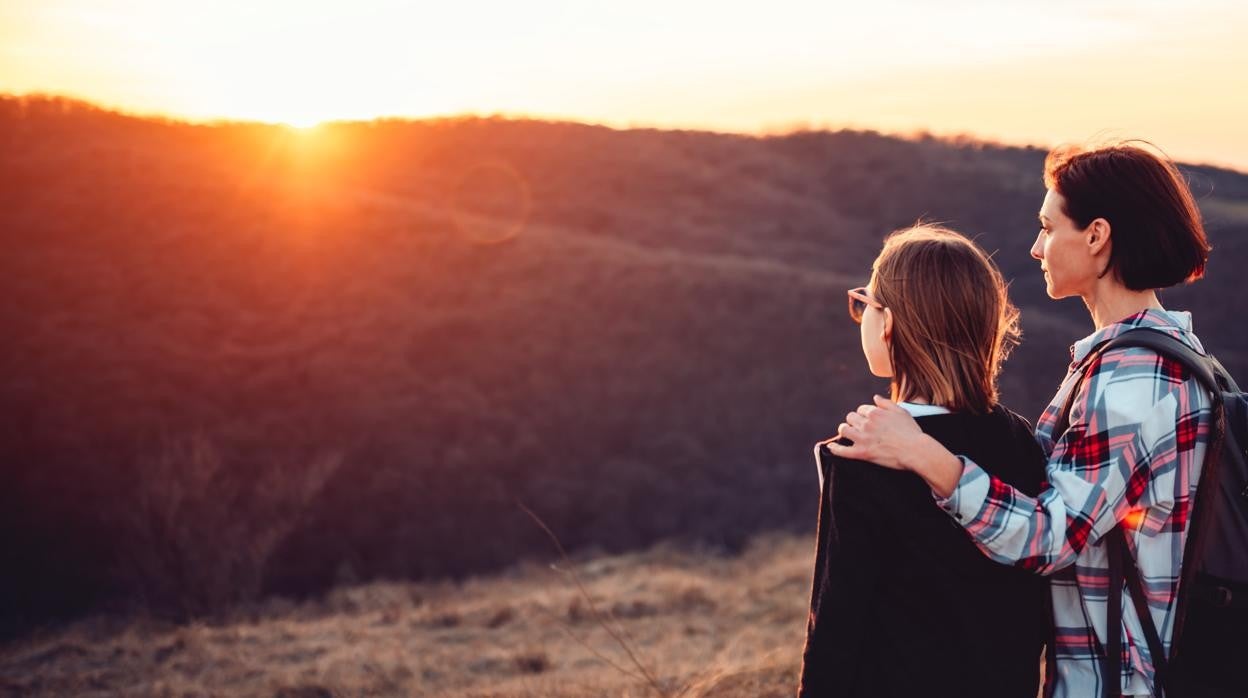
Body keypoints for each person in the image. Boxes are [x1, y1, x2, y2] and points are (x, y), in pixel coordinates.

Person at [827, 142, 1220, 697]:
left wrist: (924, 454)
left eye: (1047, 227)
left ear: (1097, 236)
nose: (1036, 248)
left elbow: (1047, 539)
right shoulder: (1153, 353)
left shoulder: (1136, 379)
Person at [799, 225, 1048, 697]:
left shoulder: (861, 451)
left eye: (864, 304)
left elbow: (836, 621)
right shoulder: (1021, 441)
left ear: (888, 322)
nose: (861, 318)